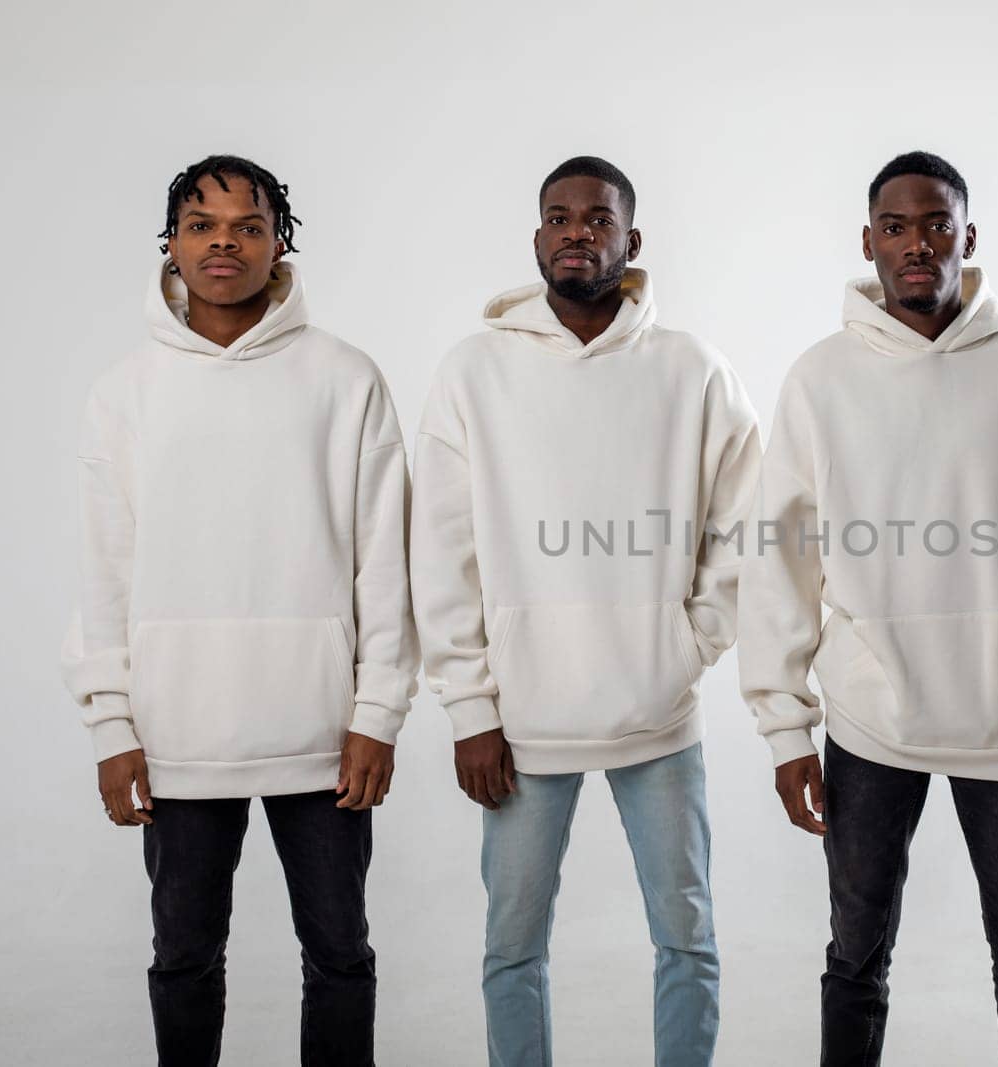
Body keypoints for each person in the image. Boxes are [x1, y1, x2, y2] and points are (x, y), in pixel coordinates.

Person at [738, 151, 998, 1066]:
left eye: (937, 225)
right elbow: (783, 562)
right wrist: (785, 726)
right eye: (899, 227)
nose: (919, 244)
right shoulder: (820, 379)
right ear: (869, 240)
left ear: (968, 237)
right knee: (855, 956)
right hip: (871, 721)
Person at [61, 154, 419, 1067]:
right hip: (178, 733)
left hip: (323, 731)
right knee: (183, 957)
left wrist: (376, 713)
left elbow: (385, 560)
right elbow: (106, 568)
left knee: (339, 954)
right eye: (202, 225)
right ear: (172, 245)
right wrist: (111, 723)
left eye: (248, 225)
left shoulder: (346, 378)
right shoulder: (123, 394)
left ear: (279, 243)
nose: (225, 241)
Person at [411, 156, 760, 1067]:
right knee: (512, 948)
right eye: (558, 217)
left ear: (629, 241)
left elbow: (749, 520)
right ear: (536, 239)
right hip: (522, 724)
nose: (577, 231)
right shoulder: (472, 372)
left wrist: (690, 644)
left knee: (688, 939)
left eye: (597, 219)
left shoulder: (692, 369)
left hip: (659, 712)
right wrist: (470, 709)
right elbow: (442, 554)